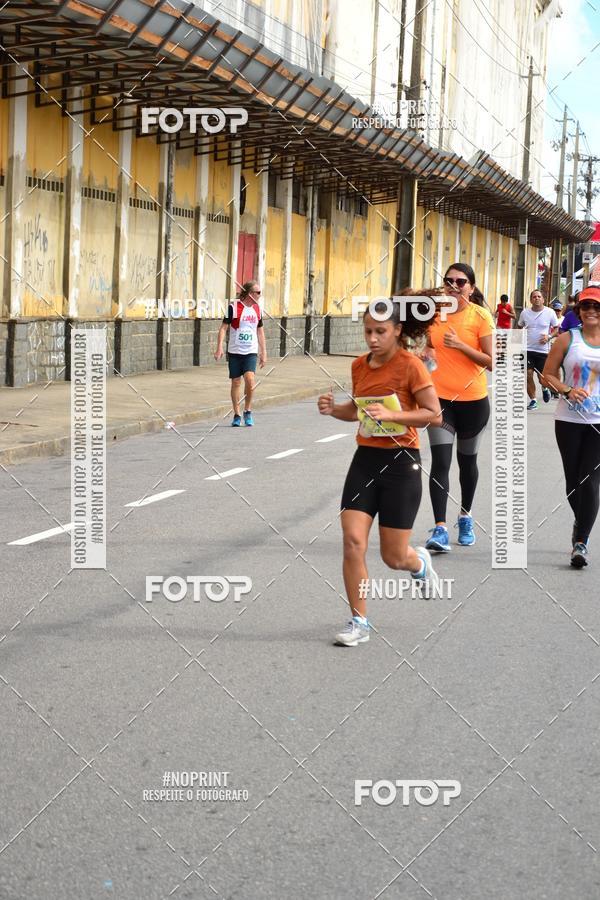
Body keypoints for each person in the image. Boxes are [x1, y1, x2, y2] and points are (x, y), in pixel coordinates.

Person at [317, 298, 442, 647]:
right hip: (366, 461)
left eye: (380, 332)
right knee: (353, 542)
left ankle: (418, 563)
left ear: (397, 331)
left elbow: (434, 415)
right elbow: (359, 413)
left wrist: (395, 417)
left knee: (393, 556)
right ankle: (359, 621)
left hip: (402, 464)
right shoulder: (359, 366)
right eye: (368, 331)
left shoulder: (411, 366)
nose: (372, 338)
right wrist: (333, 411)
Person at [424, 263, 494, 552]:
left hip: (474, 403)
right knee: (440, 462)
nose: (454, 286)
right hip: (439, 400)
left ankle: (465, 516)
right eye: (448, 281)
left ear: (471, 287)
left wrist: (461, 346)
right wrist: (425, 353)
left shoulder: (480, 316)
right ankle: (439, 528)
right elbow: (427, 349)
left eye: (460, 281)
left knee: (467, 462)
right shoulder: (433, 314)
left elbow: (492, 361)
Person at [542, 286, 600, 568]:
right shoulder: (567, 339)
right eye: (586, 306)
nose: (591, 311)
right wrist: (566, 390)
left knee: (590, 480)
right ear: (578, 310)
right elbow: (547, 376)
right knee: (572, 483)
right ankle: (582, 520)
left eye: (596, 307)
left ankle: (581, 541)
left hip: (598, 423)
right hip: (569, 419)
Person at [215, 281, 267, 426]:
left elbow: (260, 331)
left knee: (250, 380)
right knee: (236, 382)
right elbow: (224, 328)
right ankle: (237, 414)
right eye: (258, 293)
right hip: (235, 351)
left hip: (250, 351)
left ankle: (248, 410)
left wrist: (264, 352)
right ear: (250, 294)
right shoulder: (233, 308)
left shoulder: (257, 309)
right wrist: (219, 347)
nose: (260, 295)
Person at [517, 289, 558, 409]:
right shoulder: (525, 313)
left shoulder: (550, 312)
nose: (537, 298)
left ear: (543, 299)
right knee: (528, 374)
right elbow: (519, 326)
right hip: (527, 350)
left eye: (539, 296)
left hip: (543, 351)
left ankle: (545, 388)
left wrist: (549, 337)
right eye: (534, 297)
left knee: (542, 379)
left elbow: (556, 329)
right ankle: (533, 400)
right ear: (531, 300)